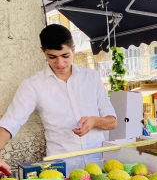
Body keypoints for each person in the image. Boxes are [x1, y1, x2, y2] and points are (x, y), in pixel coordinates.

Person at [0, 24, 117, 172]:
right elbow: (10, 122)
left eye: (65, 56)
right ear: (43, 52)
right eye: (52, 57)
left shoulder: (91, 78)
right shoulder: (33, 85)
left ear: (73, 49)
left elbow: (112, 122)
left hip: (98, 164)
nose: (60, 63)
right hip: (61, 169)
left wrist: (95, 121)